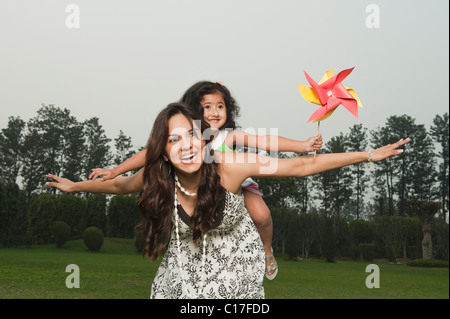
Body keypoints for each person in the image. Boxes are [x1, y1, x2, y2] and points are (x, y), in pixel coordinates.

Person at [46, 102, 410, 299]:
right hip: (181, 276)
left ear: (204, 139)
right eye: (173, 140)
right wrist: (76, 187)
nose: (186, 145)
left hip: (235, 270)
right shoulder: (159, 175)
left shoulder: (229, 167)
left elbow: (299, 166)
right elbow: (119, 186)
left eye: (191, 134)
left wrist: (366, 155)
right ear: (163, 149)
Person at [88, 81, 323, 280]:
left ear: (228, 110)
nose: (214, 112)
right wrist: (117, 170)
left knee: (262, 214)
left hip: (237, 185)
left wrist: (301, 145)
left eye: (220, 106)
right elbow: (149, 153)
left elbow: (267, 142)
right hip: (207, 189)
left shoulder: (231, 135)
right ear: (193, 111)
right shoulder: (190, 137)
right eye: (207, 107)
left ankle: (267, 250)